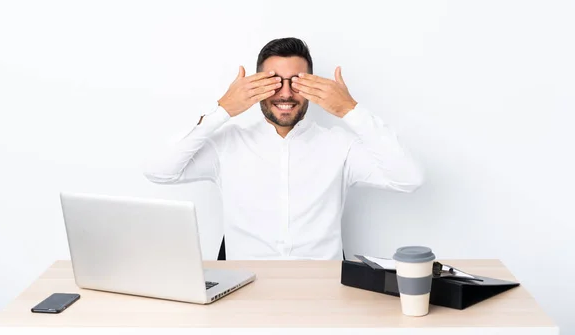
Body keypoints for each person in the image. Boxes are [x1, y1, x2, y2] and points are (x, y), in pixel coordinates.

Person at [143, 37, 423, 260]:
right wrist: (222, 111)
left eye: (297, 82)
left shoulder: (339, 145)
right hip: (245, 293)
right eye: (273, 82)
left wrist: (350, 110)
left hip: (323, 293)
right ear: (255, 85)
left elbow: (409, 179)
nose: (286, 94)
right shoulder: (227, 143)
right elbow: (158, 171)